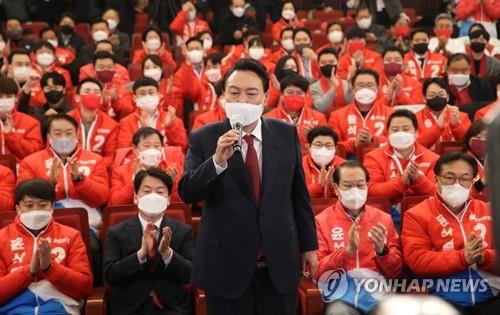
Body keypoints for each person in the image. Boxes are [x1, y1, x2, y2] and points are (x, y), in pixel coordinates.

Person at [179, 59, 318, 315]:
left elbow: (298, 194)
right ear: (223, 97)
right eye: (234, 93)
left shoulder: (286, 134)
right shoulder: (204, 136)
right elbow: (187, 192)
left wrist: (309, 245)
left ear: (265, 97)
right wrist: (216, 161)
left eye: (251, 93)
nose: (242, 100)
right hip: (226, 264)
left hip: (279, 260)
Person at [402, 152, 500, 313]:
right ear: (437, 180)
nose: (457, 184)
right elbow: (418, 261)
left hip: (491, 294)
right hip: (443, 299)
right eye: (449, 177)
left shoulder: (489, 210)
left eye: (464, 178)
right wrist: (463, 257)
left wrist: (485, 257)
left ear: (473, 181)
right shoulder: (416, 214)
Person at [315, 161, 402, 315]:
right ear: (336, 188)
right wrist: (346, 252)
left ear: (367, 186)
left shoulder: (384, 218)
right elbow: (317, 271)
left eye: (360, 185)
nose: (355, 191)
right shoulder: (321, 221)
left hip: (377, 293)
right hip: (340, 296)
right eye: (347, 186)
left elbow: (395, 271)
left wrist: (383, 252)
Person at [104, 167, 194, 315]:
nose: (153, 196)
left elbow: (190, 275)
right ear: (135, 197)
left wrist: (168, 254)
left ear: (169, 199)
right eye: (146, 191)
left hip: (172, 308)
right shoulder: (116, 232)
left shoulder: (183, 231)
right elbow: (110, 276)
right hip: (130, 309)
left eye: (159, 192)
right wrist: (140, 255)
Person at [0, 178, 93, 314]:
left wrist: (50, 268)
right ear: (18, 209)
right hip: (14, 310)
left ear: (52, 207)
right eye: (29, 205)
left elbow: (83, 287)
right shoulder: (2, 238)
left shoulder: (71, 236)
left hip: (60, 308)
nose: (36, 210)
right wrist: (29, 271)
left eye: (43, 205)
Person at [18, 114, 109, 232]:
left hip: (88, 225)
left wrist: (80, 181)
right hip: (43, 225)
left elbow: (102, 198)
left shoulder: (96, 159)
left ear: (77, 135)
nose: (63, 137)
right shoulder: (29, 162)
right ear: (48, 137)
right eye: (57, 133)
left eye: (69, 133)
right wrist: (49, 184)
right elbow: (23, 198)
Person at [364, 109, 438, 207]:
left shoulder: (433, 158)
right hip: (388, 212)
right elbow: (372, 191)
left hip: (423, 212)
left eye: (406, 129)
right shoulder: (373, 157)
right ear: (387, 133)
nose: (400, 134)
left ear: (416, 132)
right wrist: (402, 182)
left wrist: (418, 179)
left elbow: (438, 192)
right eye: (395, 130)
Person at [109, 127, 184, 205]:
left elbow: (182, 204)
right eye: (147, 146)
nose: (152, 149)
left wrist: (172, 184)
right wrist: (135, 180)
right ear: (135, 149)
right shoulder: (120, 172)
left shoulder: (174, 169)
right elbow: (115, 202)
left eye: (156, 146)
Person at [328, 68, 393, 155]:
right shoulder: (337, 115)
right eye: (360, 85)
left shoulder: (391, 113)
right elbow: (332, 145)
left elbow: (396, 141)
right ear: (353, 89)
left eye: (370, 85)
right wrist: (354, 144)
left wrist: (373, 140)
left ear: (378, 88)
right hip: (349, 163)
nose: (365, 89)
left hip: (383, 160)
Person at [118, 77, 188, 151]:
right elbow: (124, 151)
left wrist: (170, 128)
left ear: (158, 95)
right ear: (135, 98)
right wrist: (144, 131)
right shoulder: (126, 122)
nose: (147, 96)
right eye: (142, 94)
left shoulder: (172, 119)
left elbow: (181, 148)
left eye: (151, 93)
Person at [265, 74, 327, 152]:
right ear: (282, 96)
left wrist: (315, 136)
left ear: (305, 95)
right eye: (290, 93)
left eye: (299, 93)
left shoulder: (319, 117)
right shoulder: (269, 118)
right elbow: (266, 146)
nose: (294, 97)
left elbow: (327, 144)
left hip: (308, 160)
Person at [67, 78, 118, 168]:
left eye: (96, 92)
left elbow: (110, 157)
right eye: (87, 91)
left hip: (98, 171)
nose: (92, 95)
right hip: (69, 168)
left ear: (101, 98)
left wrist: (92, 166)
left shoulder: (112, 125)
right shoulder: (65, 121)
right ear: (77, 98)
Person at [416, 78, 471, 151]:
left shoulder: (461, 116)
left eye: (441, 94)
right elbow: (416, 145)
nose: (437, 97)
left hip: (455, 159)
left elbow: (469, 143)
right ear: (424, 98)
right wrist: (437, 128)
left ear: (447, 97)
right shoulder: (416, 118)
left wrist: (456, 125)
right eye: (432, 95)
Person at [0, 77, 44, 161]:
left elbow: (34, 153)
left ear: (16, 98)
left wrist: (10, 135)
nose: (4, 100)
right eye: (0, 97)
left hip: (21, 171)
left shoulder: (31, 123)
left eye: (8, 96)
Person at [303, 126, 346, 198]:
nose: (323, 149)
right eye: (318, 145)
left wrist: (333, 188)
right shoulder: (299, 166)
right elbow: (297, 196)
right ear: (308, 147)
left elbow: (349, 198)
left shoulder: (344, 166)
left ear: (335, 148)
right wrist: (318, 186)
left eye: (328, 145)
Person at [91, 50, 135, 119]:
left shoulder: (122, 88)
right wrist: (103, 105)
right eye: (101, 67)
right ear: (93, 69)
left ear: (114, 68)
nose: (106, 70)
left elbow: (129, 111)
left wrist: (116, 101)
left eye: (109, 67)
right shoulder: (87, 89)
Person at [171, 37, 207, 120]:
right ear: (185, 52)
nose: (194, 52)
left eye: (197, 48)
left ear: (204, 51)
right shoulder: (179, 74)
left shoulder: (211, 70)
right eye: (191, 49)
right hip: (193, 114)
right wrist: (188, 65)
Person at [310, 48, 352, 115]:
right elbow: (319, 108)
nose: (328, 65)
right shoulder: (313, 87)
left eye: (331, 62)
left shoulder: (345, 84)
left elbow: (351, 103)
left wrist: (350, 84)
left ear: (338, 63)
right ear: (318, 65)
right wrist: (334, 88)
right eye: (323, 63)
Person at [30, 72, 73, 137]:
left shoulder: (72, 112)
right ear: (43, 91)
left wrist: (58, 119)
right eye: (48, 88)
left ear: (64, 90)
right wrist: (45, 119)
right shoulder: (37, 112)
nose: (53, 91)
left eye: (56, 88)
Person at [463, 120, 488, 200]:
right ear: (469, 139)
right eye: (478, 137)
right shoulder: (459, 161)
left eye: (487, 137)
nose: (483, 141)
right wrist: (481, 183)